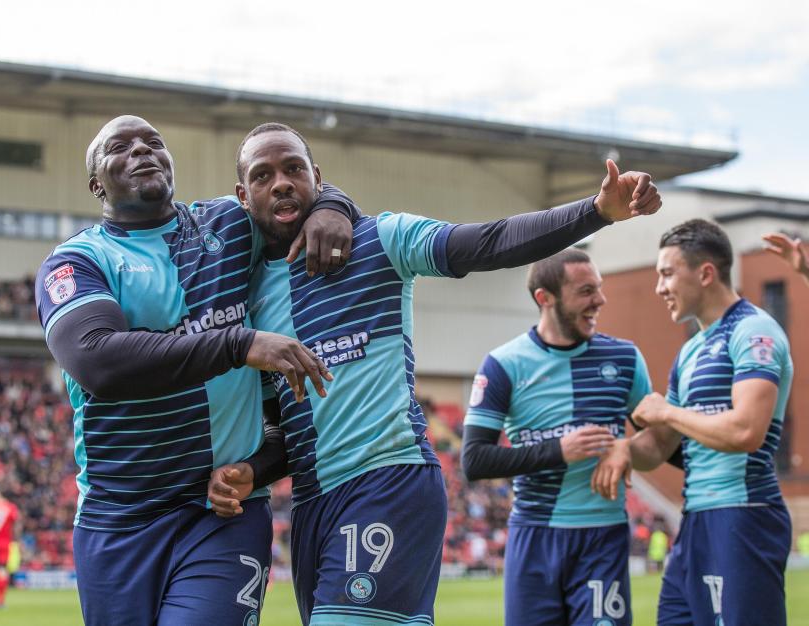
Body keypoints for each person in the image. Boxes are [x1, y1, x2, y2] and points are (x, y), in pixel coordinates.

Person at [208, 122, 662, 625]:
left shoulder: (381, 239)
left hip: (387, 480)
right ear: (242, 196)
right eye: (263, 174)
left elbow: (488, 242)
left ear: (317, 175)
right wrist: (253, 469)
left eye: (294, 168)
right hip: (314, 503)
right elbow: (279, 424)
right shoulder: (247, 299)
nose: (281, 183)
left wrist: (595, 212)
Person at [35, 115, 361, 626]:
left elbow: (288, 191)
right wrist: (239, 343)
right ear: (97, 183)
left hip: (223, 515)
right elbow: (97, 360)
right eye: (120, 147)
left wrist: (334, 204)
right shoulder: (76, 262)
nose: (142, 150)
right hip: (119, 521)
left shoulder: (228, 227)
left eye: (153, 142)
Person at [592, 219, 793, 626]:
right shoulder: (691, 351)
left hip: (742, 516)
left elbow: (745, 431)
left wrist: (666, 411)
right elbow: (660, 446)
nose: (659, 287)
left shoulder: (754, 330)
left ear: (705, 273)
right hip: (696, 520)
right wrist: (622, 448)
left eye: (667, 273)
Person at [460, 249, 651, 626]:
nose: (600, 300)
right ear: (544, 298)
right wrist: (559, 451)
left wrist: (628, 446)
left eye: (599, 288)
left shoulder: (626, 359)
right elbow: (475, 461)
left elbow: (661, 440)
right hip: (534, 536)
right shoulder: (503, 364)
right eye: (585, 291)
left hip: (601, 536)